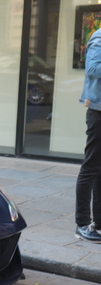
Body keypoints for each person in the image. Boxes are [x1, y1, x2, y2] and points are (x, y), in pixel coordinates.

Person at [77, 28, 101, 242]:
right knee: (91, 167)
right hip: (98, 112)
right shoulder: (99, 37)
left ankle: (99, 223)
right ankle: (82, 223)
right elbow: (92, 69)